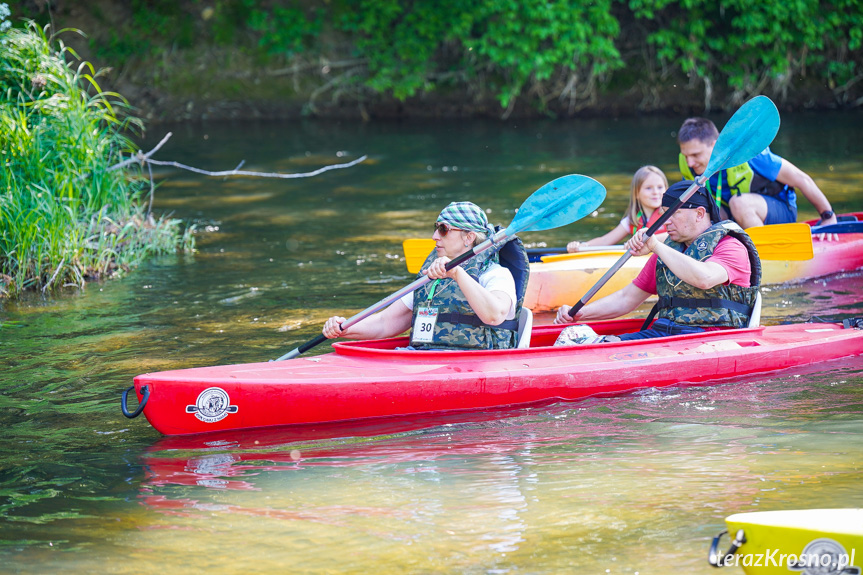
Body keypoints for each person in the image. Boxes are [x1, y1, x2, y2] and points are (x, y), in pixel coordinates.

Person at [554, 180, 761, 341]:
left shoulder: (730, 246)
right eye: (662, 215)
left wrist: (655, 246)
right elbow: (627, 298)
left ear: (699, 214)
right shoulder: (668, 250)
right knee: (579, 338)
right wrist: (581, 313)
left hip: (710, 339)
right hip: (665, 333)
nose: (666, 222)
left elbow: (705, 278)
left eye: (673, 214)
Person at [322, 201, 520, 350]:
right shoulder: (431, 276)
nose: (435, 236)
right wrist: (346, 328)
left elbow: (495, 316)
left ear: (468, 237)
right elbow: (385, 323)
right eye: (436, 228)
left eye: (444, 230)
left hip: (475, 365)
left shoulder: (495, 275)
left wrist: (457, 274)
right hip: (423, 358)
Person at [677, 117, 837, 228]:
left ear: (714, 145)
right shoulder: (689, 165)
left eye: (696, 155)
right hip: (736, 216)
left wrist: (828, 216)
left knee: (739, 203)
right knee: (704, 211)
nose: (690, 163)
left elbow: (802, 179)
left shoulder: (751, 155)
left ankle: (762, 256)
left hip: (778, 212)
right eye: (686, 156)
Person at [567, 166, 668, 253]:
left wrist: (645, 241)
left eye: (660, 187)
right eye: (649, 188)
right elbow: (605, 241)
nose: (655, 192)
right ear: (636, 193)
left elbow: (675, 236)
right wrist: (582, 246)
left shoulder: (671, 215)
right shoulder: (632, 220)